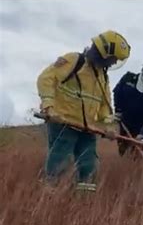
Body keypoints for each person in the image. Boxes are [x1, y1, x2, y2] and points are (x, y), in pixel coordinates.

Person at [37, 30, 131, 192]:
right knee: (60, 162)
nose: (113, 63)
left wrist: (109, 127)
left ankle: (83, 201)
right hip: (63, 123)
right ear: (104, 53)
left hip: (87, 129)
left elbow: (104, 107)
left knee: (89, 165)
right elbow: (45, 79)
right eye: (113, 59)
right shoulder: (73, 61)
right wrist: (49, 107)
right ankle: (51, 199)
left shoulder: (103, 76)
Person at [113, 55, 143, 156]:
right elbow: (117, 93)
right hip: (125, 122)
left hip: (142, 126)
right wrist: (118, 110)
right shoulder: (128, 78)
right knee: (123, 151)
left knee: (137, 154)